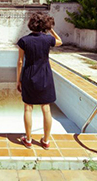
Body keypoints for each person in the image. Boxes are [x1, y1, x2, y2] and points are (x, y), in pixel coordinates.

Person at [16, 12, 62, 149]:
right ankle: (46, 141)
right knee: (46, 108)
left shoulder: (24, 40)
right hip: (45, 75)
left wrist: (18, 80)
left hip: (29, 75)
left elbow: (19, 62)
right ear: (44, 25)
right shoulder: (48, 39)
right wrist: (50, 29)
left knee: (28, 108)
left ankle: (28, 139)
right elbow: (60, 41)